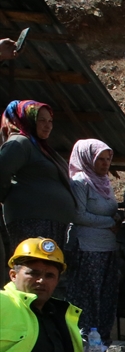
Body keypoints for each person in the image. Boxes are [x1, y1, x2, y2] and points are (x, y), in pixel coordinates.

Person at [63, 139, 122, 343]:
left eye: (108, 159)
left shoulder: (105, 183)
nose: (105, 164)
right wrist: (109, 222)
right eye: (100, 159)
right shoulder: (80, 182)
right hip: (87, 248)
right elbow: (78, 215)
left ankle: (103, 341)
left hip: (108, 248)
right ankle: (85, 341)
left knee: (106, 295)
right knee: (88, 296)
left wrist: (118, 219)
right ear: (88, 159)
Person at [0, 101, 75, 258]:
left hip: (52, 223)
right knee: (32, 267)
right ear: (28, 120)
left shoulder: (42, 148)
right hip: (31, 222)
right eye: (42, 120)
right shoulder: (20, 142)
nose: (48, 126)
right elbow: (2, 170)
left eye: (50, 121)